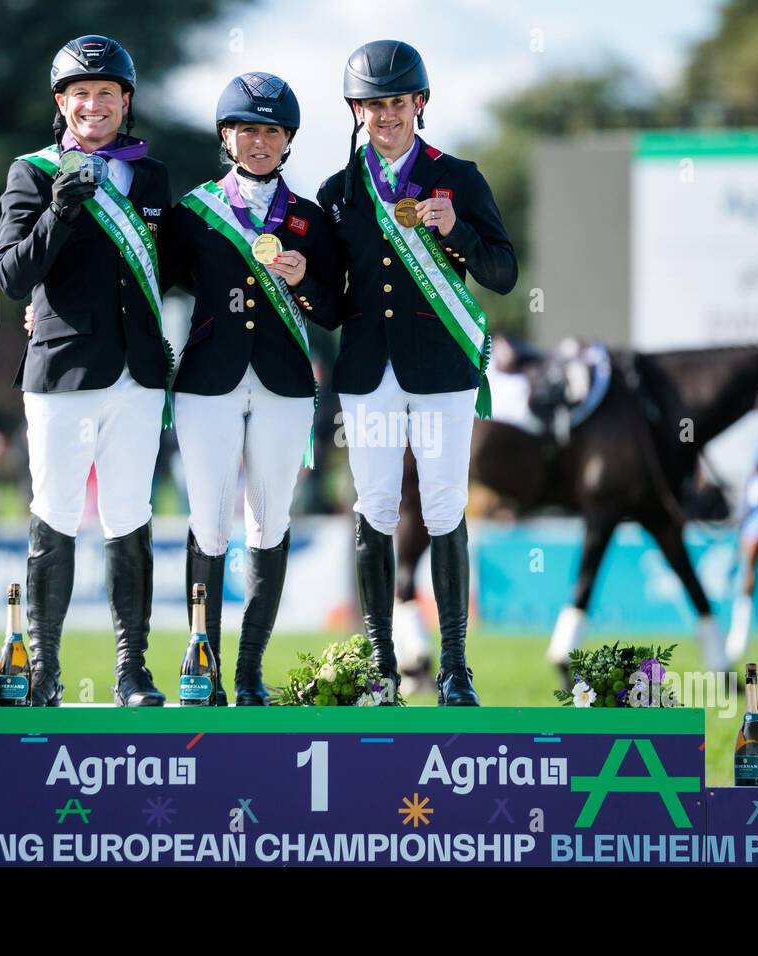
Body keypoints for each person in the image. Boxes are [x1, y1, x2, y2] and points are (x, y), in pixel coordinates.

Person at [317, 40, 517, 705]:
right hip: (369, 371)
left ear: (420, 104)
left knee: (443, 507)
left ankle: (456, 669)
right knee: (372, 508)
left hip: (441, 368)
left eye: (397, 103)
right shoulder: (338, 191)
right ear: (356, 111)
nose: (386, 117)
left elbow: (503, 274)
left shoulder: (458, 176)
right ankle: (380, 664)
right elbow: (330, 296)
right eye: (374, 106)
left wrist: (457, 230)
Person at [0, 35, 174, 707]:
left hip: (138, 372)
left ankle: (133, 671)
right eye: (81, 94)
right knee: (57, 514)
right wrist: (61, 211)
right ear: (61, 103)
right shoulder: (31, 172)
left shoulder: (149, 176)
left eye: (107, 94)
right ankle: (44, 671)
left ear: (125, 103)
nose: (93, 105)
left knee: (131, 516)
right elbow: (14, 276)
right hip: (64, 371)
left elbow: (174, 267)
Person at [162, 72, 339, 704]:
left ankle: (248, 671)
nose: (258, 141)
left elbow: (333, 309)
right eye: (246, 129)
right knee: (208, 520)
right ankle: (201, 664)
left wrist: (304, 281)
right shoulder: (191, 213)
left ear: (287, 139)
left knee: (270, 521)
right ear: (226, 137)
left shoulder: (312, 220)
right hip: (208, 381)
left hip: (285, 383)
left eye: (270, 130)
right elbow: (147, 281)